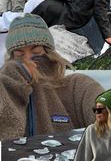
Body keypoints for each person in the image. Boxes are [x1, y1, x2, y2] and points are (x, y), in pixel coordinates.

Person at [0, 13, 104, 141]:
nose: (28, 60)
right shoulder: (4, 89)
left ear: (48, 52)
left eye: (36, 52)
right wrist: (10, 81)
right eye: (19, 55)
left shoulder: (78, 86)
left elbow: (109, 124)